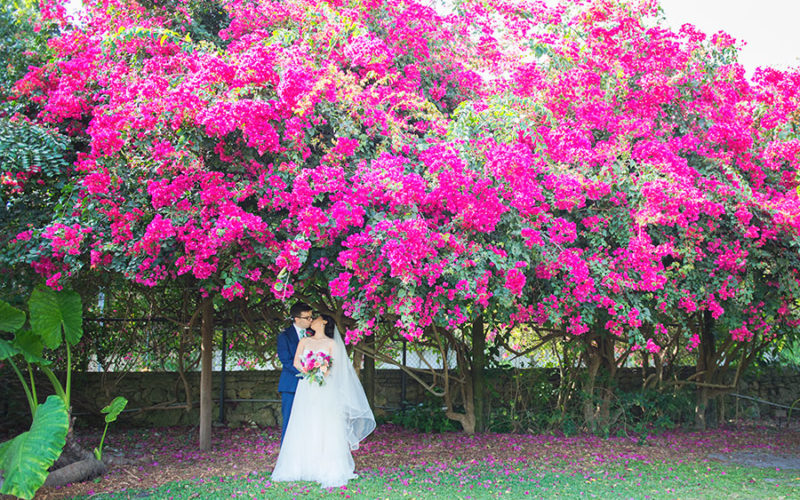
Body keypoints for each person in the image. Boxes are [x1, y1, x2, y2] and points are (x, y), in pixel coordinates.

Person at [271, 314, 376, 488]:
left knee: (324, 424)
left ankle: (325, 465)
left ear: (325, 322)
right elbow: (296, 361)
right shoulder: (304, 341)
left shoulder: (331, 344)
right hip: (306, 386)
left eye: (316, 317)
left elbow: (334, 369)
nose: (312, 319)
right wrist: (308, 368)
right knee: (305, 423)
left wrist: (321, 370)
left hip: (325, 388)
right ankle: (302, 465)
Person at [276, 302, 314, 443]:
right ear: (297, 319)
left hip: (311, 386)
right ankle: (286, 456)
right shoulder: (284, 336)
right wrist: (306, 373)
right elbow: (286, 361)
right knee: (290, 420)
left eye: (311, 317)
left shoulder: (312, 334)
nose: (311, 320)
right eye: (307, 317)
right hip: (291, 385)